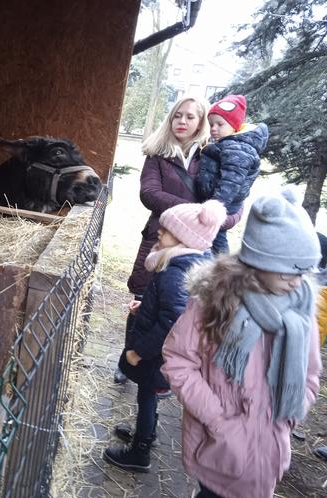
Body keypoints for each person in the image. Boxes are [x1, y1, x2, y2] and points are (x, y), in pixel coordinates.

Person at [162, 188, 323, 498]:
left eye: (304, 271)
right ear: (258, 261)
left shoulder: (300, 312)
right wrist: (219, 420)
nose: (297, 282)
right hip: (221, 449)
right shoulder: (215, 304)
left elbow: (310, 374)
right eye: (289, 270)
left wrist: (292, 412)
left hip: (271, 449)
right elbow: (178, 361)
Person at [116, 96, 241, 384]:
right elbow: (149, 193)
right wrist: (197, 212)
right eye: (177, 116)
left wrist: (216, 218)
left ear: (201, 123)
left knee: (180, 310)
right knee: (141, 303)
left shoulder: (215, 154)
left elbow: (234, 208)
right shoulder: (158, 155)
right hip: (160, 239)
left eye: (190, 117)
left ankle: (164, 372)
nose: (182, 122)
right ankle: (127, 361)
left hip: (197, 249)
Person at [103, 199, 227, 473]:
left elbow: (172, 320)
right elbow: (167, 303)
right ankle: (146, 433)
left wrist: (139, 351)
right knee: (149, 394)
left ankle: (140, 451)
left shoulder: (177, 272)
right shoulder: (189, 263)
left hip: (157, 354)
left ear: (184, 239)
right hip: (163, 352)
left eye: (167, 230)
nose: (159, 231)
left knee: (147, 395)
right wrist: (143, 303)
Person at [196, 94, 269, 254]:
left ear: (235, 125)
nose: (214, 128)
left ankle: (223, 269)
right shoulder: (229, 144)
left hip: (223, 203)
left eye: (220, 124)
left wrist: (216, 205)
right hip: (220, 200)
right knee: (212, 238)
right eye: (211, 124)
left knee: (216, 238)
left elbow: (231, 181)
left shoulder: (238, 149)